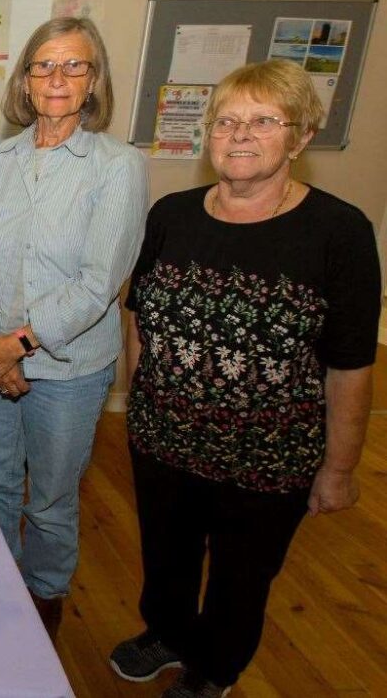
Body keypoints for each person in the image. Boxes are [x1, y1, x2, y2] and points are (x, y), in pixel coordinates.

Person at [109, 59, 379, 698]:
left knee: (241, 575)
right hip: (164, 440)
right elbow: (138, 315)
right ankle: (167, 632)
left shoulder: (338, 232)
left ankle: (215, 668)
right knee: (166, 556)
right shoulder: (173, 214)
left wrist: (339, 468)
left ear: (301, 136)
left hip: (267, 457)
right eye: (226, 122)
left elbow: (350, 364)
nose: (240, 135)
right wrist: (140, 405)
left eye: (263, 122)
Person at [0, 17, 148, 639]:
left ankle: (43, 601)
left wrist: (15, 347)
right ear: (26, 80)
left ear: (94, 80)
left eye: (73, 65)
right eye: (44, 66)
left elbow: (98, 281)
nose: (57, 78)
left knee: (52, 498)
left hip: (68, 369)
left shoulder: (117, 166)